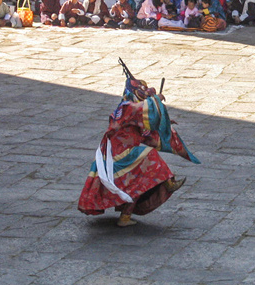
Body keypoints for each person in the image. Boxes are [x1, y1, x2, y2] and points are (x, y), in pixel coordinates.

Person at [78, 62, 200, 226]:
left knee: (139, 181)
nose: (146, 92)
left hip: (125, 153)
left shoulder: (131, 109)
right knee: (149, 156)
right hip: (118, 154)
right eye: (142, 89)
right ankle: (168, 181)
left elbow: (146, 125)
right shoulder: (127, 107)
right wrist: (157, 100)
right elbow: (142, 110)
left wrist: (164, 122)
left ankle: (125, 217)